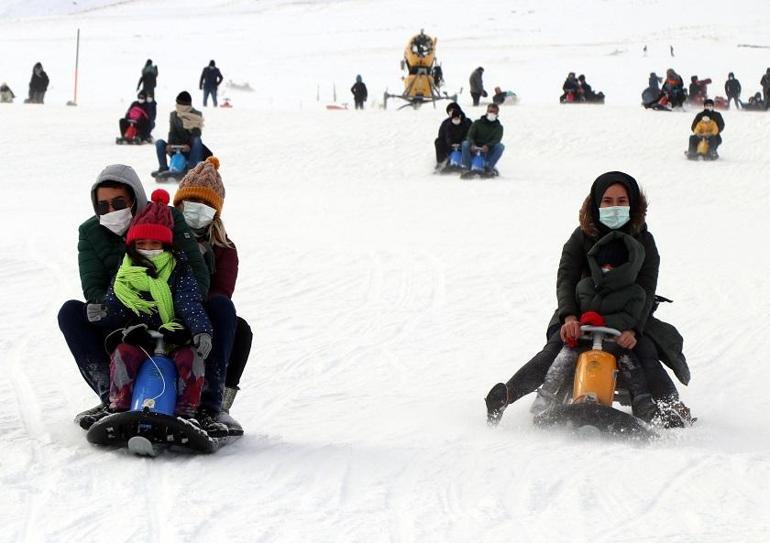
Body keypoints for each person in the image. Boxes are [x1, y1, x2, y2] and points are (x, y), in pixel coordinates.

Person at [485, 172, 693, 429]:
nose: (613, 207)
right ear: (596, 203)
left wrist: (633, 329)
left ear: (632, 204)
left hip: (629, 314)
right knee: (554, 350)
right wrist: (569, 317)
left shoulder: (644, 241)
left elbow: (647, 289)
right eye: (607, 201)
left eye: (620, 200)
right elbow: (566, 279)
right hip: (581, 312)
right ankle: (506, 395)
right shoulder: (581, 237)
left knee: (645, 353)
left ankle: (671, 410)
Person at [58, 164, 210, 429]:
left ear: (135, 198)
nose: (111, 211)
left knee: (219, 312)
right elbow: (95, 288)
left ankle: (201, 409)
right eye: (102, 206)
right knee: (71, 313)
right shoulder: (92, 234)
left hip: (174, 317)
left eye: (118, 202)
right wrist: (114, 315)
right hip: (126, 317)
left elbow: (196, 279)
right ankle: (113, 399)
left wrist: (186, 325)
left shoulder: (167, 219)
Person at [91, 189, 213, 421]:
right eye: (142, 244)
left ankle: (187, 412)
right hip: (140, 338)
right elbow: (116, 306)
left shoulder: (178, 269)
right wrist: (103, 313)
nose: (148, 249)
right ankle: (118, 407)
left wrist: (200, 331)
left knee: (190, 359)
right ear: (133, 245)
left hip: (174, 336)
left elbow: (190, 302)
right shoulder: (125, 274)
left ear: (166, 246)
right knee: (123, 355)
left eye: (155, 243)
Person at [529, 231, 656, 421]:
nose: (606, 270)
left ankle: (643, 404)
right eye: (602, 266)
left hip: (616, 342)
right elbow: (579, 307)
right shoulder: (585, 286)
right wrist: (578, 323)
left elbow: (630, 317)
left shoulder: (635, 293)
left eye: (611, 267)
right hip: (583, 340)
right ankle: (545, 399)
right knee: (564, 357)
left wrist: (608, 325)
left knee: (631, 364)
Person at [172, 157, 252, 435]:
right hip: (163, 308)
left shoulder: (223, 248)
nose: (196, 213)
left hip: (202, 313)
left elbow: (221, 292)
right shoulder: (160, 235)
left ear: (215, 213)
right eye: (191, 205)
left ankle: (214, 402)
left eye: (205, 207)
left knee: (238, 327)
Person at [152, 91, 211, 177]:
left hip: (190, 150)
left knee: (197, 140)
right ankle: (163, 168)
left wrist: (188, 145)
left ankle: (191, 168)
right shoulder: (174, 115)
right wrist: (169, 144)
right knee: (159, 142)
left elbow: (197, 133)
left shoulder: (196, 114)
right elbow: (172, 132)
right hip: (176, 148)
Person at [461, 103, 504, 175]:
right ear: (486, 112)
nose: (491, 113)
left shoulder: (499, 127)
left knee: (500, 146)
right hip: (474, 147)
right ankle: (466, 167)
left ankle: (488, 167)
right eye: (490, 111)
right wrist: (472, 144)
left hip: (488, 149)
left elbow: (497, 140)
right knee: (465, 144)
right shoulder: (477, 123)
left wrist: (488, 146)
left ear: (497, 114)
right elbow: (470, 136)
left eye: (494, 112)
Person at [434, 103, 471, 168]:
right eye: (450, 110)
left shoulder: (467, 121)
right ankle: (441, 163)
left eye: (453, 109)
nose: (451, 111)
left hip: (463, 145)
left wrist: (462, 142)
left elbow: (470, 134)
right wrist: (449, 143)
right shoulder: (445, 122)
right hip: (449, 145)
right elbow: (441, 135)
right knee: (438, 141)